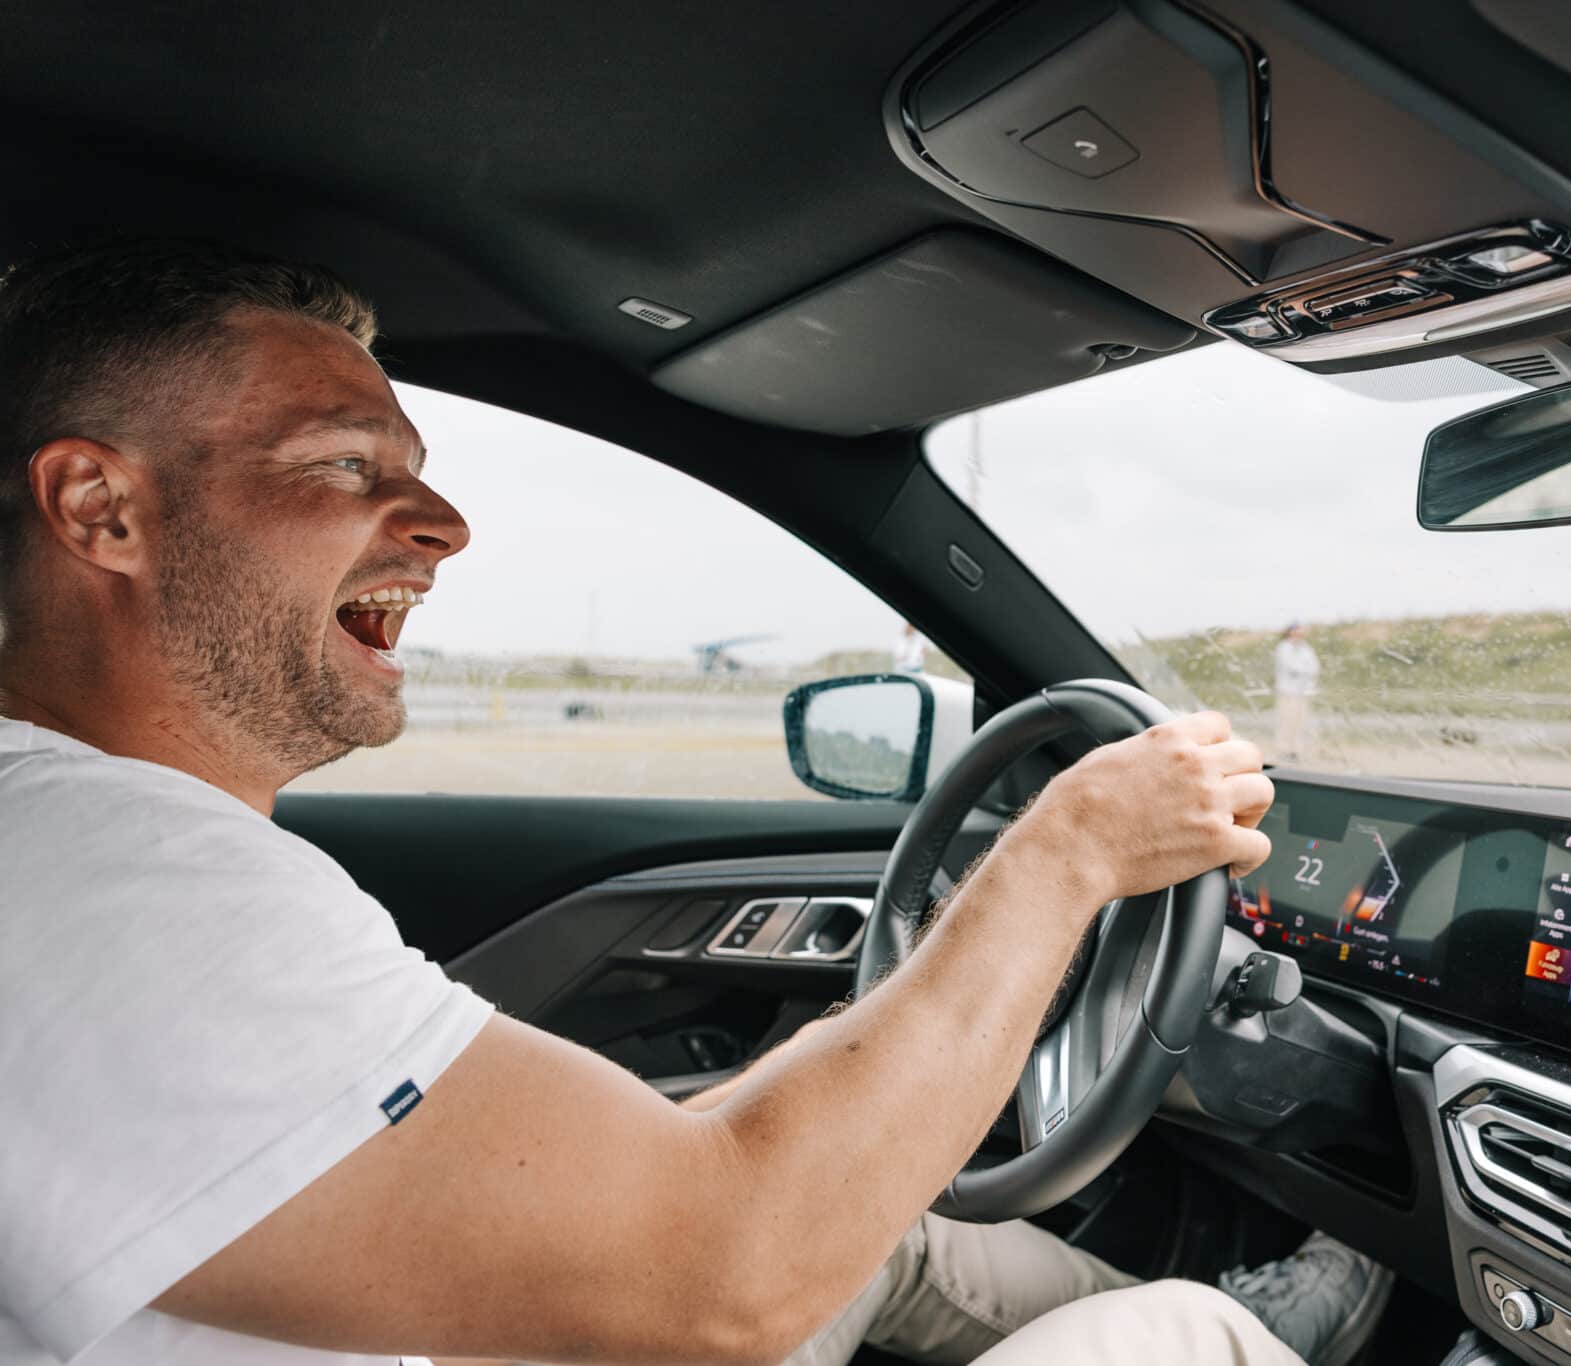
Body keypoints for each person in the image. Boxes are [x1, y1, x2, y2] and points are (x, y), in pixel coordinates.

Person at [0, 239, 1389, 1366]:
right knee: (1181, 1335)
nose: (444, 526)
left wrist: (781, 1114)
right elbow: (732, 1278)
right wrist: (1073, 850)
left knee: (884, 1226)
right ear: (100, 508)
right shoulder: (118, 882)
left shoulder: (88, 841)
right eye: (347, 466)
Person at [1273, 623, 1321, 760]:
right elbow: (1291, 667)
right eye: (1296, 632)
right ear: (1290, 632)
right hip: (1287, 691)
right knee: (1286, 721)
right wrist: (1305, 671)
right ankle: (1283, 750)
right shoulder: (1283, 648)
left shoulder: (1306, 649)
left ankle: (1296, 750)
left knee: (1300, 722)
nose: (1299, 635)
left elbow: (1315, 667)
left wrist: (1306, 673)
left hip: (1303, 692)